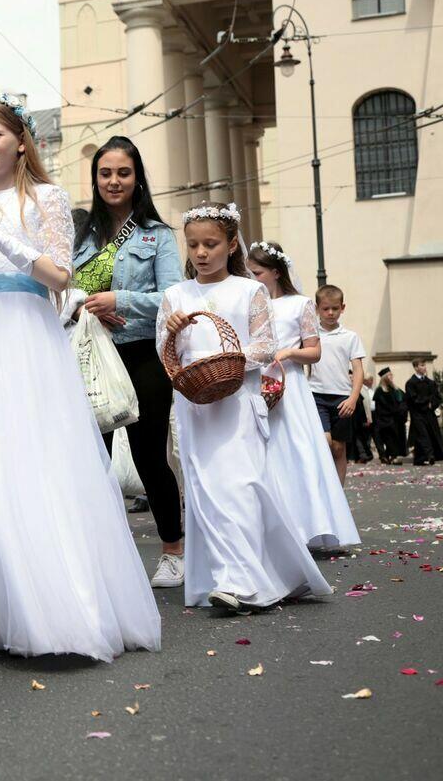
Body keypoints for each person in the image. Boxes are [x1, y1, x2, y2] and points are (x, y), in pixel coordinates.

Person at [0, 93, 161, 660]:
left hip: (27, 339)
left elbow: (60, 277)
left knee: (33, 464)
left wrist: (4, 242)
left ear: (20, 141)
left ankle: (58, 610)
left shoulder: (47, 198)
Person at [157, 204, 330, 615]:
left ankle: (244, 582)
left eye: (211, 244)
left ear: (232, 244)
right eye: (193, 245)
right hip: (197, 405)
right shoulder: (175, 296)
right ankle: (224, 579)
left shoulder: (250, 291)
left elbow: (265, 346)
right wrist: (173, 333)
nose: (201, 253)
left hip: (237, 401)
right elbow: (165, 352)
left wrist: (230, 362)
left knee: (241, 486)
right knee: (205, 491)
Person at [69, 135, 184, 587]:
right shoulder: (79, 235)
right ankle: (102, 555)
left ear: (137, 179)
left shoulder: (158, 235)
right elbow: (64, 289)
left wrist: (122, 300)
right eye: (105, 173)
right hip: (90, 354)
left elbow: (173, 299)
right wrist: (85, 307)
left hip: (143, 356)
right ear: (95, 179)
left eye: (123, 173)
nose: (113, 181)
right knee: (89, 457)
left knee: (149, 456)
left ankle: (173, 552)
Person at [247, 241, 359, 552]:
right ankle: (269, 530)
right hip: (257, 382)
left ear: (275, 272)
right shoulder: (250, 303)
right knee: (263, 453)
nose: (252, 277)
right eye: (250, 272)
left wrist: (288, 352)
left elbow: (315, 351)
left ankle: (308, 526)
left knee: (296, 452)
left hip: (290, 385)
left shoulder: (299, 304)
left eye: (257, 272)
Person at [307, 285, 366, 484]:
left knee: (339, 448)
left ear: (343, 308)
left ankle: (338, 492)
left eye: (335, 308)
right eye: (326, 309)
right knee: (324, 442)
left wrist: (353, 399)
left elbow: (358, 370)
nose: (330, 313)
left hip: (342, 398)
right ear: (317, 309)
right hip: (316, 395)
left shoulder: (350, 337)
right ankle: (322, 487)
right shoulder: (311, 335)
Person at [405, 359, 443, 465]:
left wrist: (432, 404)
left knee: (430, 434)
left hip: (429, 413)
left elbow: (437, 397)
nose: (424, 367)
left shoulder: (430, 383)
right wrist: (426, 402)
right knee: (422, 434)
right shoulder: (411, 383)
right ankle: (429, 455)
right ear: (416, 367)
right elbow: (413, 399)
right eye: (422, 365)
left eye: (425, 365)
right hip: (417, 414)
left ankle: (420, 459)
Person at [372, 367, 408, 465]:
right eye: (389, 375)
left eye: (391, 375)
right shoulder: (380, 391)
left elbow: (404, 400)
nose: (391, 377)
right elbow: (381, 407)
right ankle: (391, 457)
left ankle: (390, 456)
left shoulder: (396, 389)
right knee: (388, 439)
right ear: (384, 377)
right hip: (384, 419)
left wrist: (402, 410)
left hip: (395, 419)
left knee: (394, 439)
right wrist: (394, 411)